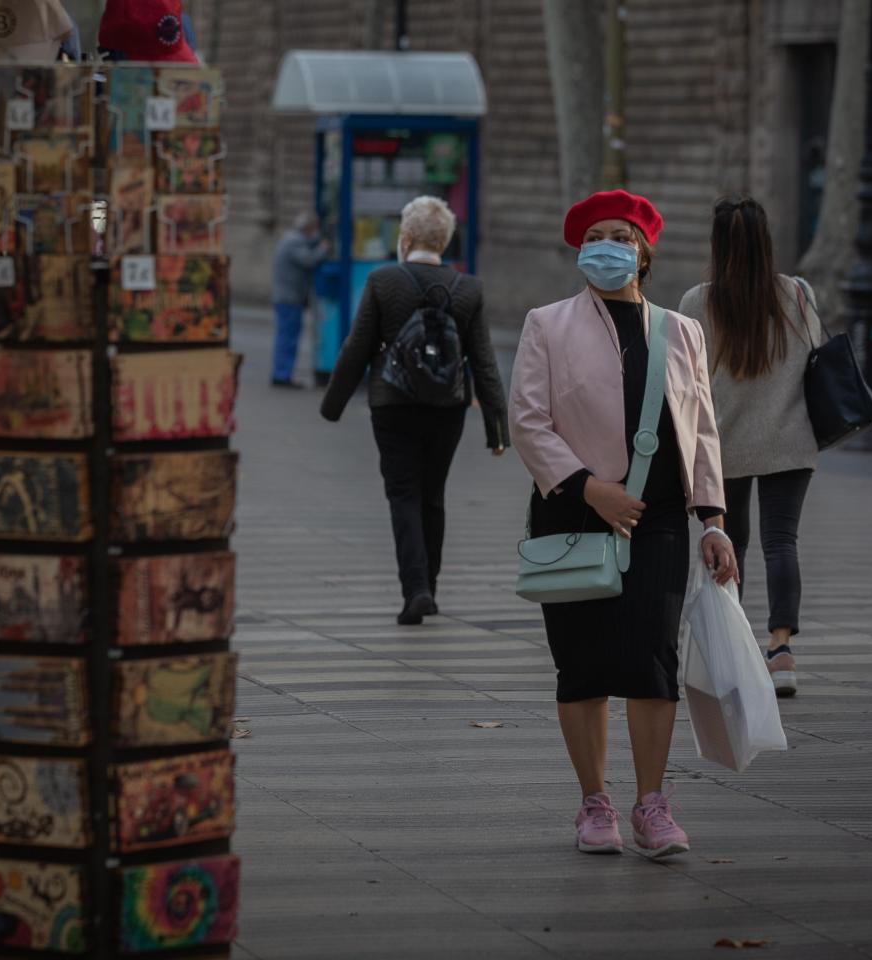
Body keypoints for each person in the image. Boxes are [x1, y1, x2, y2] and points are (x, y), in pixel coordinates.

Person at [509, 189, 736, 859]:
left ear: (644, 252)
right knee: (580, 665)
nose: (608, 245)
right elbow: (528, 420)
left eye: (622, 236)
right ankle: (594, 801)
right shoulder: (546, 324)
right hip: (570, 511)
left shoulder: (681, 330)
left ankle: (651, 803)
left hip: (660, 519)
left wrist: (714, 519)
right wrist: (591, 489)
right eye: (597, 235)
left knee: (652, 659)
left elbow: (702, 431)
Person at [320, 196, 508, 624]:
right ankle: (431, 586)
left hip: (393, 404)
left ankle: (416, 589)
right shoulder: (468, 288)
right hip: (448, 407)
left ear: (405, 238)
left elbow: (357, 348)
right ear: (444, 241)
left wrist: (333, 404)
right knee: (433, 495)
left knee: (403, 493)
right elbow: (483, 360)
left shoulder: (384, 280)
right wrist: (496, 429)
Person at [677, 197, 823, 696]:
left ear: (718, 246)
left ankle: (732, 651)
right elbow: (813, 355)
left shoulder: (698, 301)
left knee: (728, 544)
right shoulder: (797, 294)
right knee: (781, 542)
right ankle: (781, 651)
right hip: (789, 439)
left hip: (722, 446)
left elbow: (683, 379)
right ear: (766, 242)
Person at [271, 212, 328, 388]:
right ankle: (282, 375)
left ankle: (282, 373)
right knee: (288, 339)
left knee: (286, 337)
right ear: (309, 228)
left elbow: (308, 245)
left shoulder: (292, 239)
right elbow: (309, 260)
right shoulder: (295, 242)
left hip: (286, 297)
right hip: (290, 298)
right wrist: (324, 248)